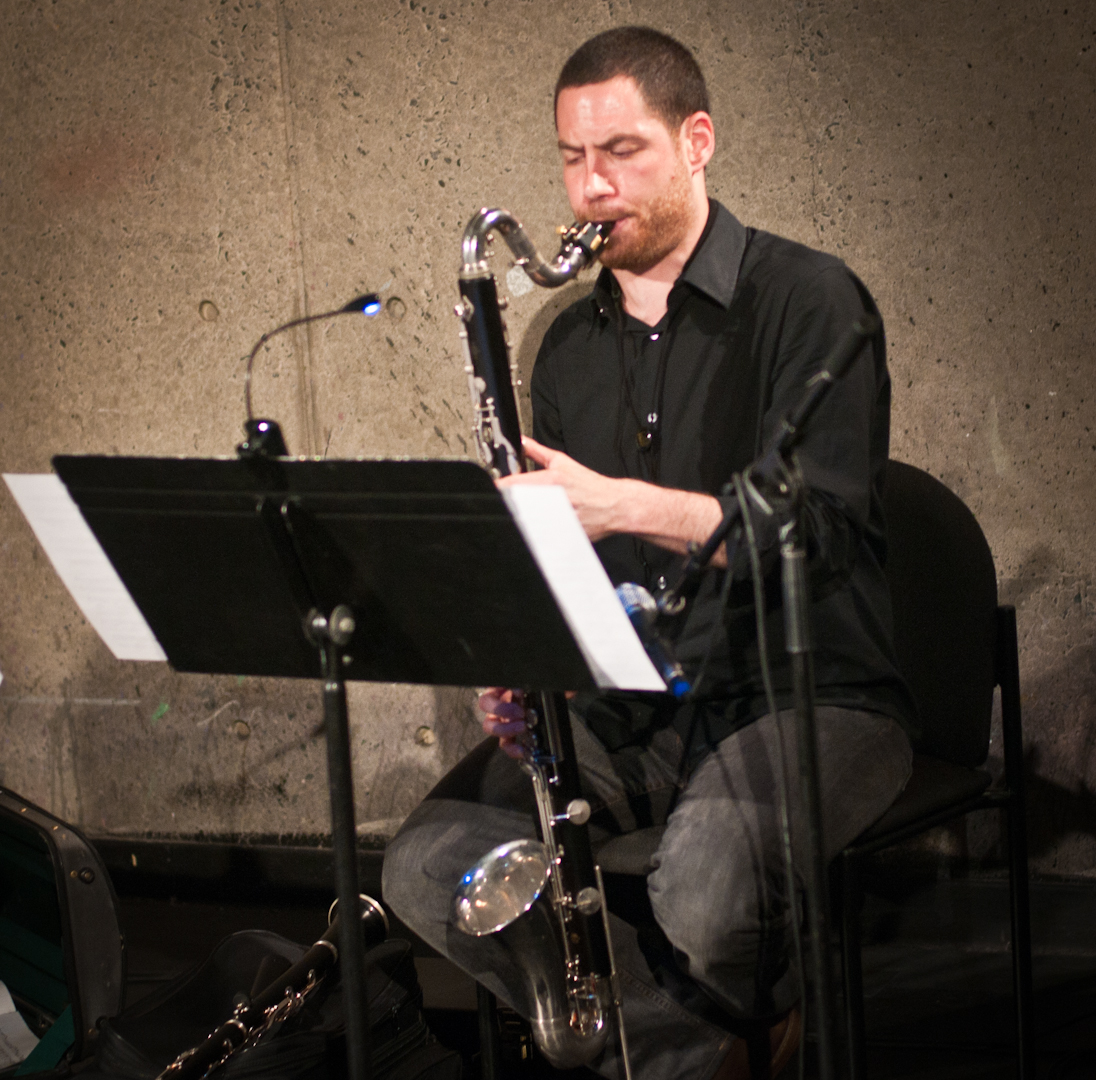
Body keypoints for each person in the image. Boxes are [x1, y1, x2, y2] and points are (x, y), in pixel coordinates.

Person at [383, 26, 916, 1080]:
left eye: (620, 152)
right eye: (572, 159)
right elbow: (564, 553)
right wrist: (527, 647)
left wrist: (621, 502)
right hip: (632, 702)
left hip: (810, 693)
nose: (589, 187)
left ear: (696, 140)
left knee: (704, 893)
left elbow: (821, 527)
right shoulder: (565, 347)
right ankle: (706, 1040)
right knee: (428, 866)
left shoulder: (810, 301)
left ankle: (675, 1034)